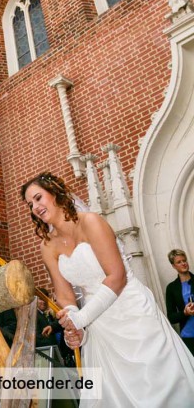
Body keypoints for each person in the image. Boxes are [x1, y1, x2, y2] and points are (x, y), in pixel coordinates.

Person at [21, 172, 194, 405]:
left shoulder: (90, 221)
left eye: (38, 198)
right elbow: (64, 294)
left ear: (55, 193)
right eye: (30, 204)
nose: (35, 207)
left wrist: (80, 318)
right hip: (99, 327)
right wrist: (74, 325)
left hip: (131, 310)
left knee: (156, 388)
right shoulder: (47, 246)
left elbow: (117, 276)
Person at [165, 248, 194, 355]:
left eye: (184, 260)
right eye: (179, 262)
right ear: (173, 266)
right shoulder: (171, 288)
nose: (183, 263)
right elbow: (171, 317)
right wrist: (185, 313)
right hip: (188, 336)